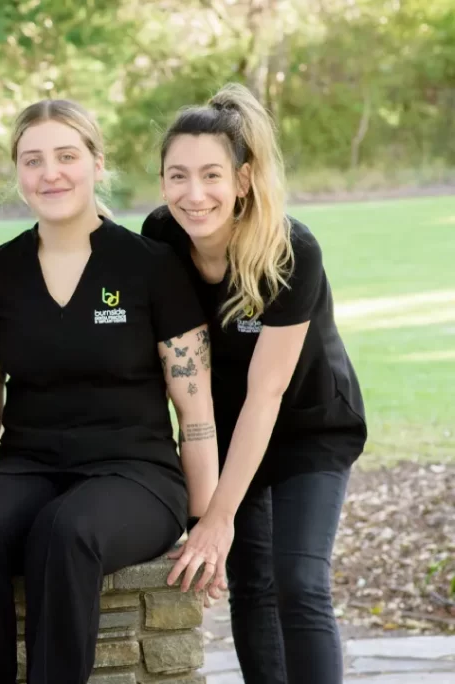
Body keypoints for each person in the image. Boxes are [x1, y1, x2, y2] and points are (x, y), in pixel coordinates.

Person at [0, 99, 221, 684]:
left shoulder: (152, 265)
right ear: (18, 173)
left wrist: (207, 523)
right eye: (33, 160)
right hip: (30, 464)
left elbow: (195, 411)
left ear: (96, 163)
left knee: (66, 531)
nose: (50, 174)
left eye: (66, 156)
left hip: (136, 474)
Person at [142, 83, 368, 684]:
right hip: (224, 428)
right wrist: (204, 507)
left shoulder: (290, 250)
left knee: (299, 581)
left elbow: (267, 395)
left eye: (211, 175)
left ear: (243, 180)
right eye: (178, 176)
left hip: (308, 427)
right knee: (251, 584)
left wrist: (219, 517)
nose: (194, 194)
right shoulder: (160, 237)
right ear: (161, 181)